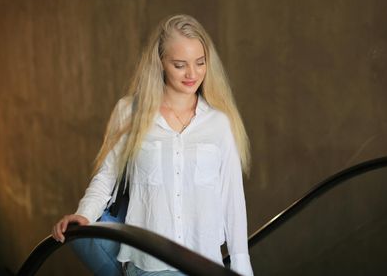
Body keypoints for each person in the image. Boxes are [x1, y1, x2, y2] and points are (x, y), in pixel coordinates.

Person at [52, 14, 253, 276]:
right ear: (160, 62)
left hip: (205, 265)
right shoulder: (128, 112)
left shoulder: (220, 123)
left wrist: (241, 266)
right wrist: (84, 215)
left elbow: (232, 200)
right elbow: (107, 177)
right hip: (148, 267)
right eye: (180, 65)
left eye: (200, 63)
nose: (193, 74)